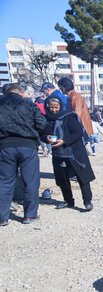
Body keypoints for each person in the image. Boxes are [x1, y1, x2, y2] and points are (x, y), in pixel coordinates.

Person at [0, 83, 47, 225]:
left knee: (5, 182)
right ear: (21, 92)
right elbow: (41, 124)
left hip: (5, 146)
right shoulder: (29, 105)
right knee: (30, 181)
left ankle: (2, 217)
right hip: (28, 146)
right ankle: (29, 215)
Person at [42, 97, 96, 211]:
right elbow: (42, 133)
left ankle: (87, 202)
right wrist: (47, 138)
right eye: (51, 107)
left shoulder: (69, 116)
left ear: (61, 106)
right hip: (58, 153)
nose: (53, 110)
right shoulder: (46, 119)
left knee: (82, 177)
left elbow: (77, 132)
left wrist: (64, 141)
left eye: (56, 107)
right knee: (62, 178)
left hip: (74, 151)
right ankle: (68, 201)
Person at [57, 77, 94, 149]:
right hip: (80, 129)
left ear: (63, 88)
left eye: (60, 88)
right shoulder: (72, 96)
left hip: (81, 129)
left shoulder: (75, 97)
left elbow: (76, 115)